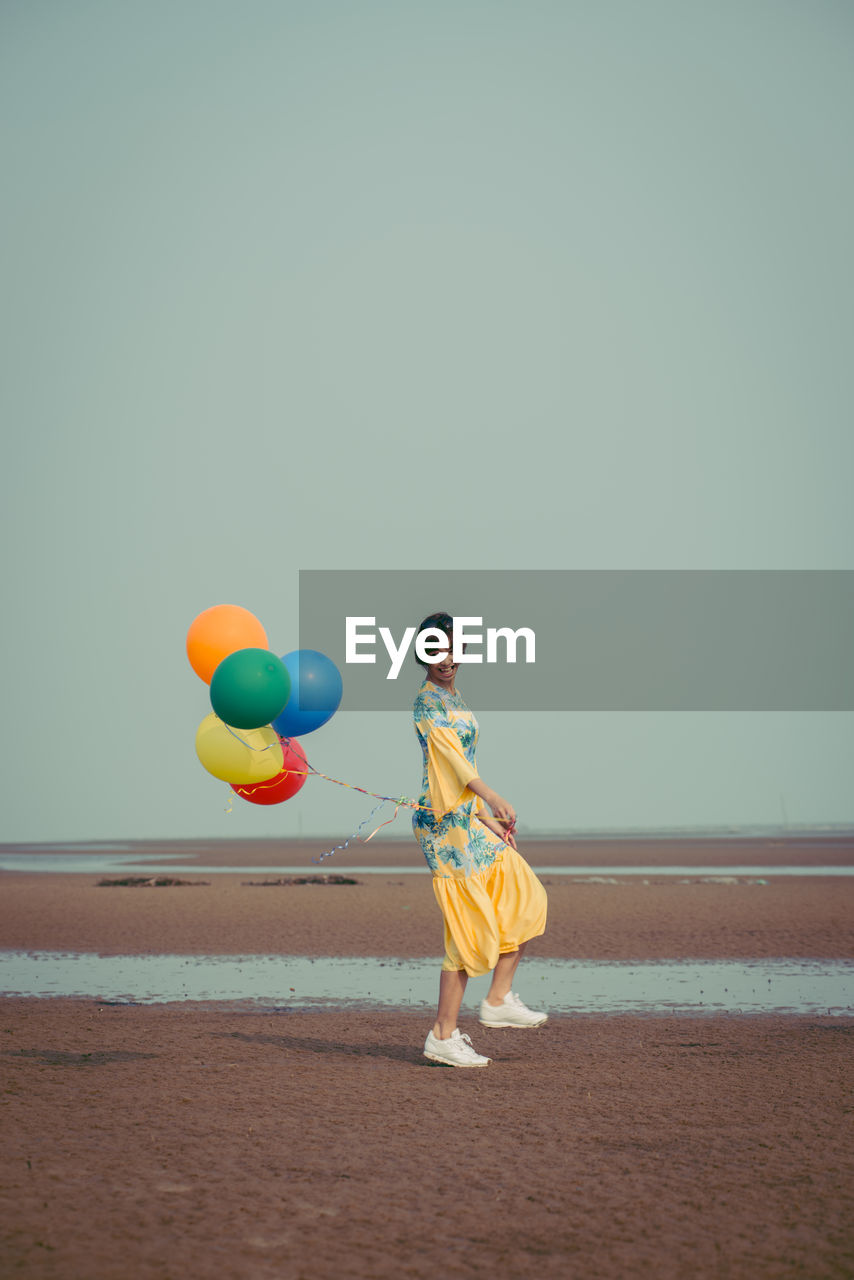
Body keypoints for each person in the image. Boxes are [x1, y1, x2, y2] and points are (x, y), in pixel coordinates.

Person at [412, 612, 548, 1068]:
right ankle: (443, 1036)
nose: (445, 659)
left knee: (525, 892)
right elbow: (453, 765)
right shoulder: (427, 703)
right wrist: (490, 795)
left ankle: (497, 999)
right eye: (435, 650)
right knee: (467, 930)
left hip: (467, 819)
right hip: (443, 828)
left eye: (452, 649)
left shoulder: (455, 697)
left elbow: (461, 771)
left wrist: (488, 820)